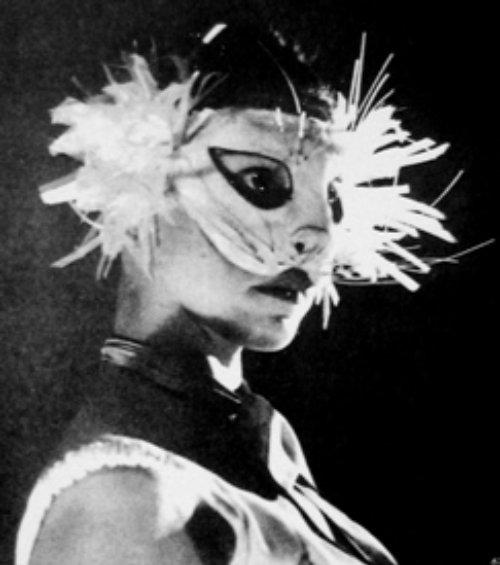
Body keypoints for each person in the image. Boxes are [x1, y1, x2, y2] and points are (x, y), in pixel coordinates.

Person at [15, 23, 454, 565]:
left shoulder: (264, 468)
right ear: (131, 185)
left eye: (333, 199)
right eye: (261, 181)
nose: (318, 235)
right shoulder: (125, 508)